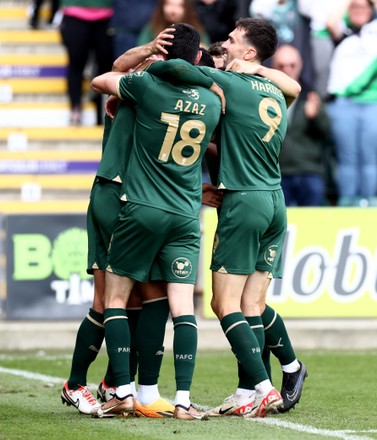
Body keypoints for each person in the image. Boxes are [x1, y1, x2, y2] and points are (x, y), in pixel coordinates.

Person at [148, 18, 306, 417]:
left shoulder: (230, 85)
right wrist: (259, 70)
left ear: (249, 53)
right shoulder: (273, 88)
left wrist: (153, 56)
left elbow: (180, 68)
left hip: (243, 200)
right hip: (274, 200)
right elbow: (295, 87)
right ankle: (249, 391)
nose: (227, 44)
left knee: (223, 303)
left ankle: (264, 388)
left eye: (234, 42)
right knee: (251, 306)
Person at [61, 28, 223, 417]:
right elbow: (113, 70)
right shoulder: (140, 85)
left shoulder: (153, 89)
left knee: (151, 296)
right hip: (115, 193)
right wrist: (151, 53)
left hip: (148, 202)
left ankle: (133, 387)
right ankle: (76, 383)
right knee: (107, 298)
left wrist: (198, 187)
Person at [326, 0, 377, 206]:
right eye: (354, 8)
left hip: (372, 103)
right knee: (346, 159)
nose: (358, 11)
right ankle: (348, 203)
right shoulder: (344, 34)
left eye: (363, 7)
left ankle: (370, 203)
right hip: (343, 104)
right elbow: (330, 22)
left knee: (370, 158)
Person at [271, 44, 332, 206]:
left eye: (292, 65)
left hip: (309, 170)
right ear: (273, 67)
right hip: (277, 172)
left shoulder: (310, 94)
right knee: (278, 225)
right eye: (281, 65)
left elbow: (327, 131)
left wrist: (315, 116)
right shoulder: (265, 96)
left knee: (313, 224)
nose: (287, 69)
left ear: (300, 65)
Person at [59, 0, 114, 125]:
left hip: (106, 16)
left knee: (105, 67)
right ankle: (75, 107)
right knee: (76, 64)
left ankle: (105, 110)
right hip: (74, 14)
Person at [137, 0, 211, 47]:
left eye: (180, 6)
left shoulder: (197, 30)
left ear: (187, 9)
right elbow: (141, 49)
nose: (173, 10)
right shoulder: (152, 28)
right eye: (169, 4)